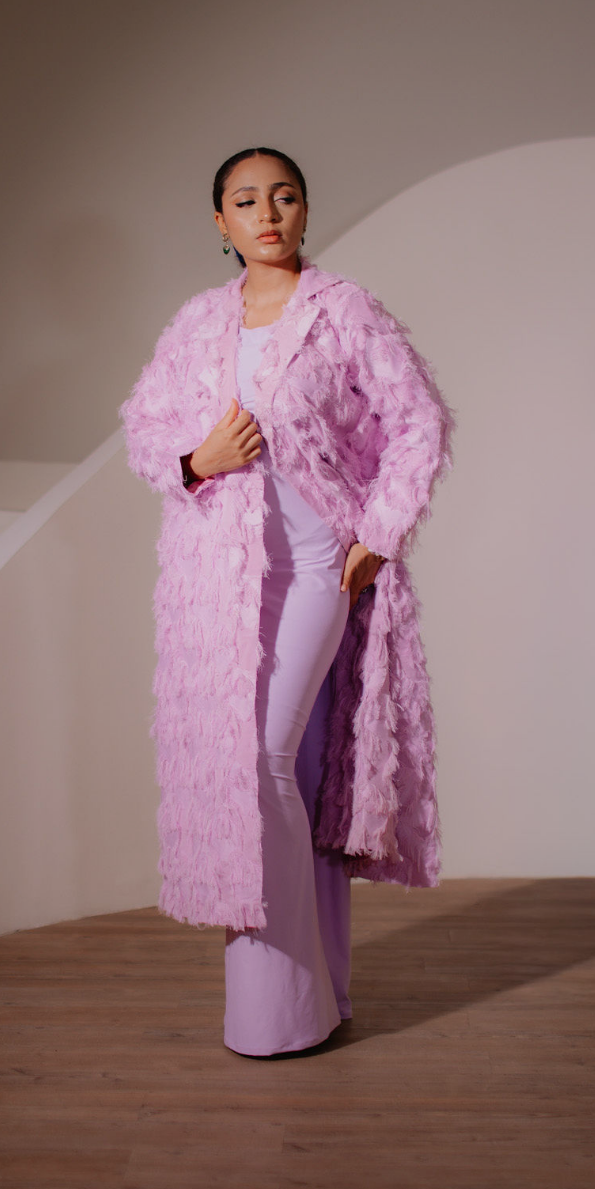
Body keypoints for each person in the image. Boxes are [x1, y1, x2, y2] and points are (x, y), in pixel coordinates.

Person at [119, 147, 454, 1057]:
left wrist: (379, 533)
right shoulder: (198, 322)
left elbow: (419, 420)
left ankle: (279, 1016)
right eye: (246, 201)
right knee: (289, 779)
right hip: (217, 587)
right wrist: (197, 461)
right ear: (220, 222)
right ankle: (322, 991)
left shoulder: (343, 311)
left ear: (304, 210)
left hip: (314, 571)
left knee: (260, 762)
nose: (267, 214)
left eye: (284, 197)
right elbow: (145, 428)